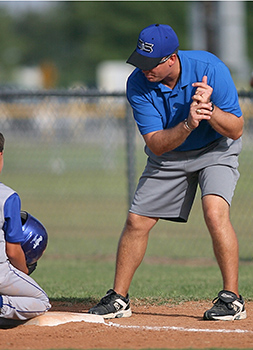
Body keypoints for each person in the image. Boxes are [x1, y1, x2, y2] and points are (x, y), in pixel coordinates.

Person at [88, 24, 245, 321]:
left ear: (171, 58)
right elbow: (157, 145)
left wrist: (209, 110)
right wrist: (187, 124)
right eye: (141, 62)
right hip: (170, 154)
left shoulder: (210, 68)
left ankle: (232, 300)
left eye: (151, 64)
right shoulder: (138, 84)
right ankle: (119, 298)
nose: (144, 70)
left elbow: (236, 130)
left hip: (215, 149)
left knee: (214, 212)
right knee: (136, 221)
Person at [0, 132, 51, 321]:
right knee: (41, 301)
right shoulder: (7, 196)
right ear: (1, 156)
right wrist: (24, 273)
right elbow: (13, 252)